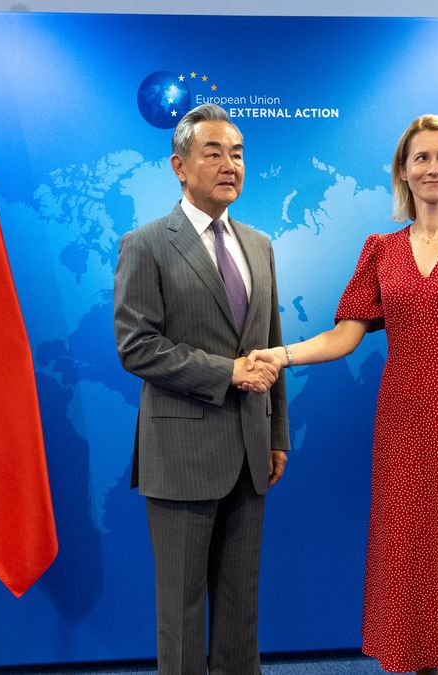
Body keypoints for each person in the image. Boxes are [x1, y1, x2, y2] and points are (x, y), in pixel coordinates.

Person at [248, 114, 438, 674]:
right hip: (403, 422)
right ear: (403, 172)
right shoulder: (380, 248)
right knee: (409, 547)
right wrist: (280, 355)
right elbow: (344, 335)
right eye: (421, 158)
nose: (433, 168)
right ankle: (421, 661)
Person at [113, 102, 290, 675]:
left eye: (237, 153)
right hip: (181, 457)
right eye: (213, 152)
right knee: (183, 613)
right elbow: (136, 345)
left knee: (242, 609)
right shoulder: (146, 244)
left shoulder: (259, 245)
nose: (229, 164)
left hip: (250, 454)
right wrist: (227, 372)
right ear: (179, 166)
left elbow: (272, 344)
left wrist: (277, 434)